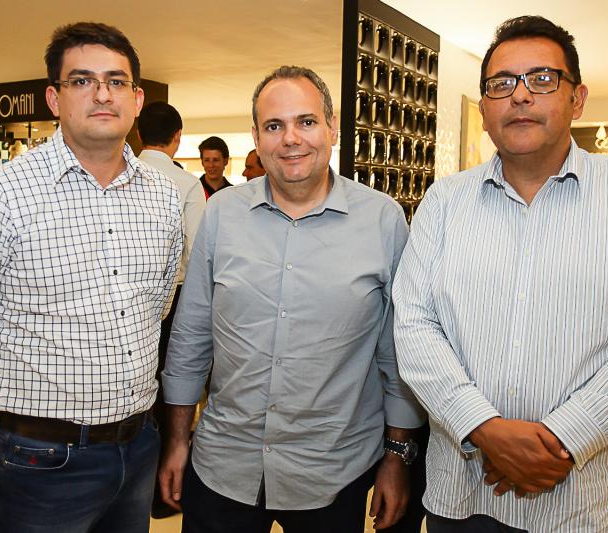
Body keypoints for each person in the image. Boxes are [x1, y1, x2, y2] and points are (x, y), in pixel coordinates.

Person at [393, 15, 608, 533]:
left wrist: (561, 439)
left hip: (592, 501)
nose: (520, 95)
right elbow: (414, 326)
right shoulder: (443, 202)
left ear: (577, 99)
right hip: (466, 492)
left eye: (542, 79)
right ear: (485, 109)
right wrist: (484, 429)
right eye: (501, 83)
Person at [0, 22, 182, 533]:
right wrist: (17, 383)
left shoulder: (163, 196)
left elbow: (156, 305)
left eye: (116, 81)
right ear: (54, 98)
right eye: (82, 80)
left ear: (136, 99)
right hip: (38, 459)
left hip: (138, 447)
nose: (102, 94)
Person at [159, 65, 424, 532]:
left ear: (332, 128)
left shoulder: (382, 221)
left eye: (306, 121)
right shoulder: (222, 214)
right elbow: (191, 335)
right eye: (274, 126)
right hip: (224, 465)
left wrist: (397, 457)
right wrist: (177, 441)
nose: (291, 139)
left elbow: (397, 353)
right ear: (256, 138)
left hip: (334, 472)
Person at [137, 100, 206, 518]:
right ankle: (164, 494)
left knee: (137, 395)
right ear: (177, 138)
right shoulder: (185, 184)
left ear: (138, 133)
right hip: (176, 300)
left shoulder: (123, 174)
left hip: (129, 302)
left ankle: (137, 485)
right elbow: (199, 254)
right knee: (171, 395)